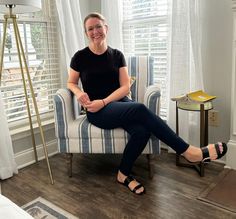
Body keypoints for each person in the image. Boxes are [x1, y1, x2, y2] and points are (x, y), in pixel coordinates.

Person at [67, 12, 228, 195]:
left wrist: (104, 101)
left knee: (141, 132)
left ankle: (123, 174)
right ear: (85, 32)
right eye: (90, 28)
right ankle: (188, 152)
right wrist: (79, 93)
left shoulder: (117, 55)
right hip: (96, 111)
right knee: (140, 108)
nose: (95, 31)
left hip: (116, 104)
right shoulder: (80, 57)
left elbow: (125, 87)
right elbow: (70, 82)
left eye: (98, 26)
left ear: (106, 28)